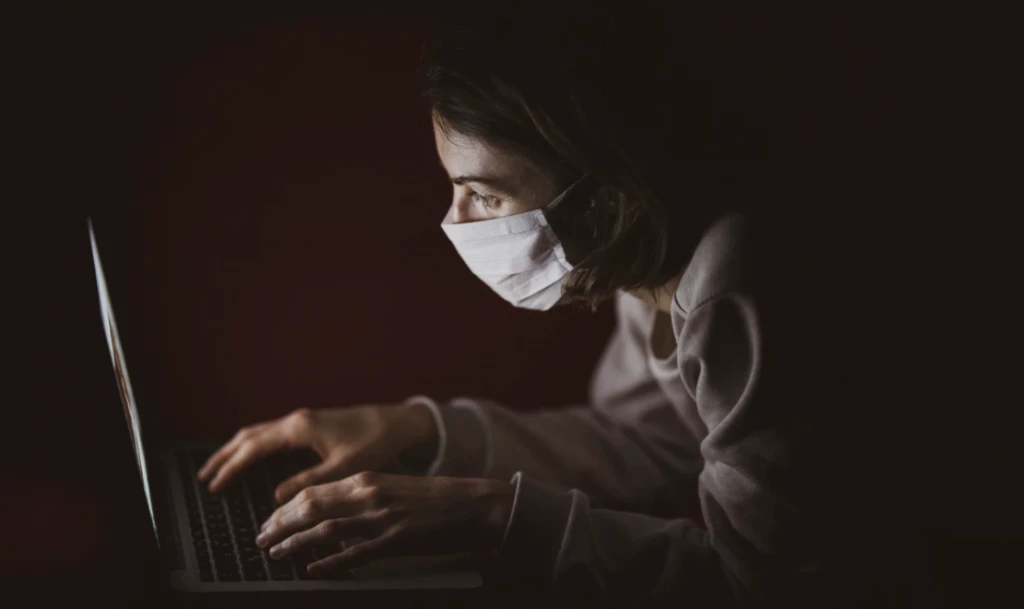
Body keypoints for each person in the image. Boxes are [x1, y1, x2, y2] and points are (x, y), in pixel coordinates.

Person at [197, 3, 1016, 607]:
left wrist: (494, 516)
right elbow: (653, 442)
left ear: (603, 192)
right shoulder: (646, 259)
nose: (455, 222)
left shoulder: (743, 284)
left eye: (481, 194)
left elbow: (765, 584)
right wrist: (422, 428)